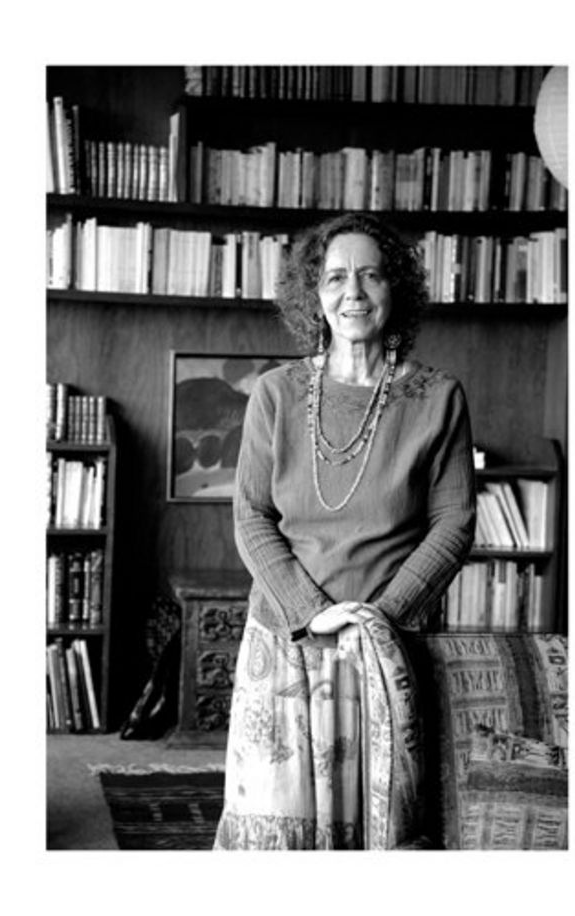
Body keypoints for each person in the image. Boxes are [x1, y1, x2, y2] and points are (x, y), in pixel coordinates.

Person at [213, 213, 476, 850]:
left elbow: (455, 522)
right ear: (314, 294)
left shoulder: (439, 397)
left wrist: (378, 619)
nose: (352, 292)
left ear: (396, 289)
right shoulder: (275, 393)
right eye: (334, 277)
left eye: (370, 275)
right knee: (275, 839)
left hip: (385, 646)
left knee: (380, 833)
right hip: (285, 639)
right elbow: (251, 516)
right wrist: (313, 613)